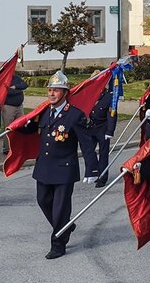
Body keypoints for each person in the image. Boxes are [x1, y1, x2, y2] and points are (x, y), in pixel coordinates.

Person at [16, 71, 96, 259]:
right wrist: (17, 125)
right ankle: (65, 225)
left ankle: (58, 244)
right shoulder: (43, 112)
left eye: (56, 91)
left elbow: (87, 143)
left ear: (65, 93)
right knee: (43, 201)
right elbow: (31, 129)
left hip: (64, 169)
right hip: (44, 166)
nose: (51, 94)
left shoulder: (75, 115)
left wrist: (92, 169)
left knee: (60, 208)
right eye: (50, 90)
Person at [82, 69, 118, 187]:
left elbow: (112, 114)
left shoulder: (109, 97)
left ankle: (102, 178)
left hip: (103, 128)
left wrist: (110, 131)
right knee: (88, 152)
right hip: (90, 127)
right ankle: (92, 172)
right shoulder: (89, 95)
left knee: (103, 154)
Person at [1, 72, 29, 155]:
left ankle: (19, 146)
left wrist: (15, 87)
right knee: (9, 128)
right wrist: (18, 90)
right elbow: (6, 92)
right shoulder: (4, 78)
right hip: (9, 106)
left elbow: (25, 85)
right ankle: (7, 148)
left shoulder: (16, 77)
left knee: (21, 127)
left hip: (19, 106)